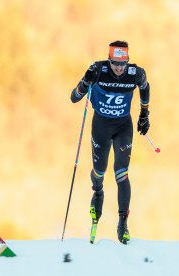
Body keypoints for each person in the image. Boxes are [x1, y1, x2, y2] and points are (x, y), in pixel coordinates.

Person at [70, 40, 150, 244]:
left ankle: (123, 222)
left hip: (123, 127)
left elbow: (145, 87)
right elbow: (74, 97)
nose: (118, 68)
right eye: (114, 63)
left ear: (127, 62)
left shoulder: (136, 74)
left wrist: (144, 115)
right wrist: (85, 82)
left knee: (121, 173)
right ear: (109, 59)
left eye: (122, 64)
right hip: (101, 127)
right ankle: (98, 192)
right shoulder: (97, 70)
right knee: (99, 171)